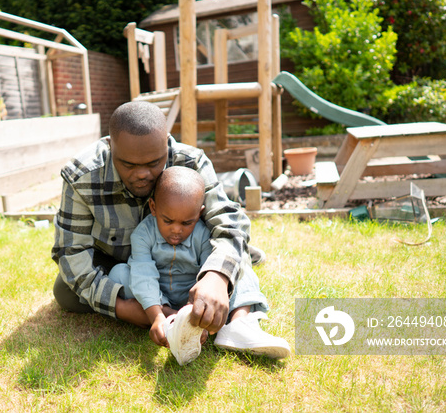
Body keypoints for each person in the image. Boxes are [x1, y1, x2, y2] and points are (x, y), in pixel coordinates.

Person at [51, 100, 282, 352]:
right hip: (117, 259)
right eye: (128, 164)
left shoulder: (191, 162)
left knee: (234, 258)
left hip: (188, 260)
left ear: (167, 144)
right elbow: (70, 252)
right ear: (110, 145)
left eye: (154, 163)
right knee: (66, 291)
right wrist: (127, 310)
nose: (142, 174)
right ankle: (169, 312)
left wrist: (216, 277)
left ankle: (239, 326)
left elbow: (229, 224)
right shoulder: (81, 176)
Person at [108, 166, 290, 363]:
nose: (176, 230)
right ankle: (172, 320)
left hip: (196, 295)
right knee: (120, 274)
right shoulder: (143, 234)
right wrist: (156, 316)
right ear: (153, 207)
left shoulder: (203, 234)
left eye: (187, 223)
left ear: (199, 213)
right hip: (159, 296)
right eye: (168, 221)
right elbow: (143, 275)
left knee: (239, 267)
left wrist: (198, 307)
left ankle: (239, 324)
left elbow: (210, 273)